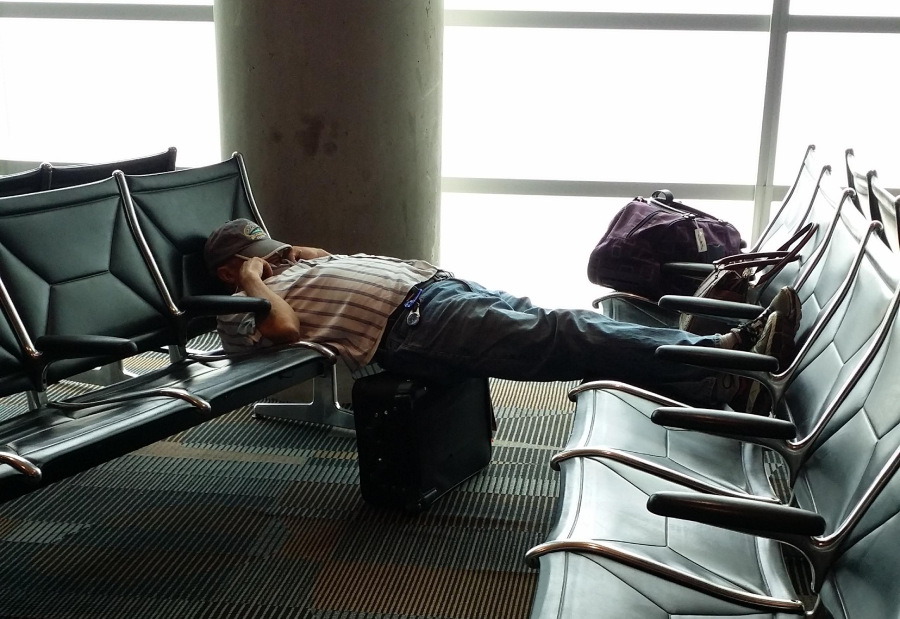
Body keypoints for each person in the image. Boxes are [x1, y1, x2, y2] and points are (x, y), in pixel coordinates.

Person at [203, 219, 800, 410]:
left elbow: (332, 268)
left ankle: (711, 380)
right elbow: (280, 333)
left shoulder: (289, 269)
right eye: (257, 257)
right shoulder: (241, 303)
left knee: (564, 330)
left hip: (435, 291)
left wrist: (298, 257)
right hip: (411, 328)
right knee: (563, 335)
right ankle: (728, 350)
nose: (273, 257)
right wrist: (257, 281)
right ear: (231, 268)